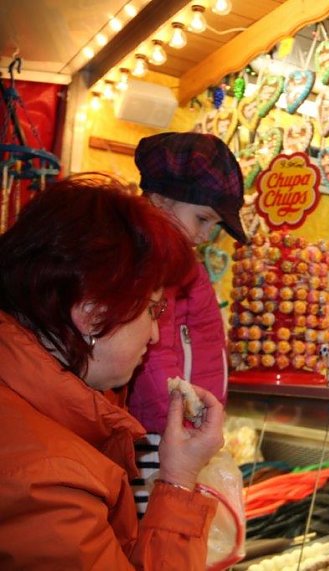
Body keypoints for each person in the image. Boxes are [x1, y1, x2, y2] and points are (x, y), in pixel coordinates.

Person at [0, 174, 225, 568]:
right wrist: (178, 482)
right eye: (153, 309)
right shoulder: (51, 481)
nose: (155, 334)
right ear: (93, 312)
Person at [128, 131, 248, 514]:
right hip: (156, 433)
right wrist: (178, 418)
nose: (205, 234)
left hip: (176, 430)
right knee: (152, 531)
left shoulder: (182, 266)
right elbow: (154, 349)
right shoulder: (149, 261)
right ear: (160, 200)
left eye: (213, 225)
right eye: (201, 218)